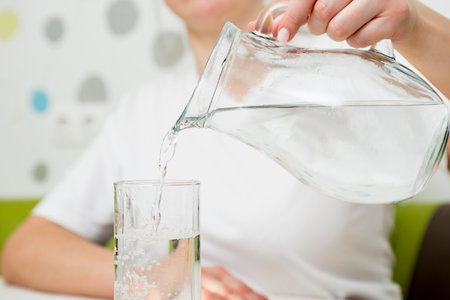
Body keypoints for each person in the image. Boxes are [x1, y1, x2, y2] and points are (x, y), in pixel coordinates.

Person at [2, 0, 449, 299]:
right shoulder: (145, 107)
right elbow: (24, 250)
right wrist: (175, 285)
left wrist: (417, 24)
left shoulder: (350, 69)